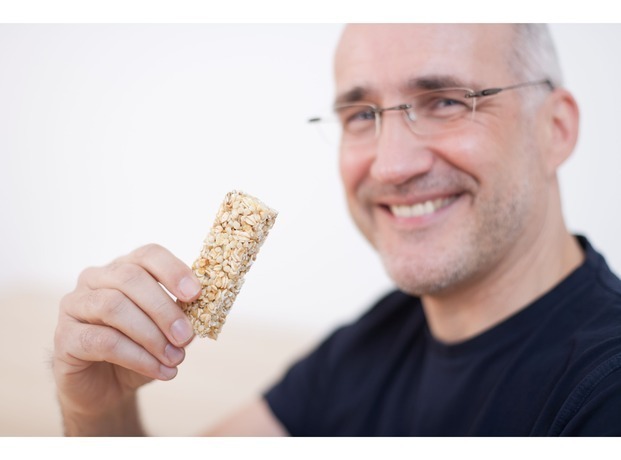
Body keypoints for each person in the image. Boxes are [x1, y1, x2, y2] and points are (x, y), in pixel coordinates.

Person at [53, 24, 621, 436]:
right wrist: (98, 412)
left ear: (556, 129)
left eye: (447, 101)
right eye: (361, 115)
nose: (392, 165)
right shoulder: (376, 340)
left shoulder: (601, 398)